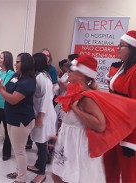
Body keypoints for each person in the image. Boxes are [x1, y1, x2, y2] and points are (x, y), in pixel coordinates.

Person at [51, 55, 136, 183]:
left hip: (79, 149)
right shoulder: (74, 93)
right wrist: (60, 138)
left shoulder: (86, 98)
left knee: (69, 178)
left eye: (71, 70)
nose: (67, 73)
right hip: (68, 145)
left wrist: (76, 110)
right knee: (57, 175)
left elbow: (100, 125)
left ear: (81, 75)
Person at [0, 53, 36, 183]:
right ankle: (18, 171)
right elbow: (7, 89)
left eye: (18, 62)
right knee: (17, 150)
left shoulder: (28, 81)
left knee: (19, 150)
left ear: (25, 64)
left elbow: (13, 99)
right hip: (12, 117)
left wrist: (0, 90)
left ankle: (21, 179)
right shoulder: (16, 76)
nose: (15, 64)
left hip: (21, 121)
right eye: (15, 61)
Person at [104, 30, 136, 183]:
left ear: (132, 49)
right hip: (113, 129)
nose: (117, 48)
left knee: (129, 175)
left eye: (122, 45)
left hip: (128, 134)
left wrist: (132, 142)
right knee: (109, 170)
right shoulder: (122, 68)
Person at [27, 53, 57, 183]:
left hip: (44, 115)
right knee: (39, 141)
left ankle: (42, 173)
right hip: (40, 113)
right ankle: (38, 165)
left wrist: (40, 116)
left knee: (42, 142)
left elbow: (46, 98)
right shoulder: (39, 75)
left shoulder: (42, 77)